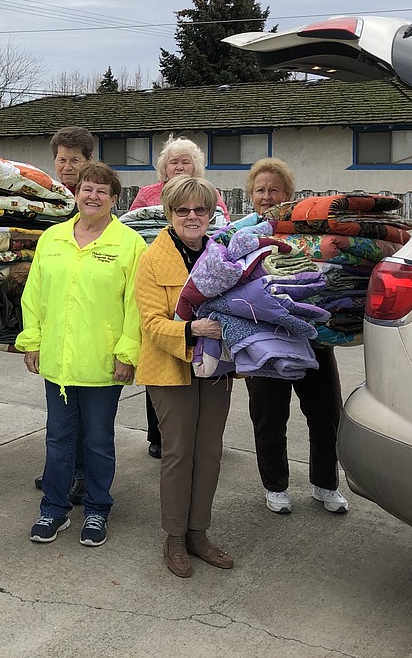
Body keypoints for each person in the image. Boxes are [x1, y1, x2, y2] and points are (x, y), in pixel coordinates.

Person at [17, 162, 146, 548]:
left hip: (103, 364)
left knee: (97, 441)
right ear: (77, 193)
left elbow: (136, 305)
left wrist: (127, 352)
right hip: (58, 361)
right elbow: (34, 295)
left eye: (101, 191)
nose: (92, 196)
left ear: (114, 199)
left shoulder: (129, 244)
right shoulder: (53, 239)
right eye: (87, 188)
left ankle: (96, 510)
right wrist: (32, 340)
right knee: (58, 439)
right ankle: (54, 510)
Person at [135, 175, 235, 577]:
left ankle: (199, 533)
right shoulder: (151, 258)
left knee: (209, 452)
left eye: (200, 210)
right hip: (169, 366)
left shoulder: (223, 255)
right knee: (178, 453)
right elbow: (150, 323)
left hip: (216, 369)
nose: (192, 216)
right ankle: (174, 538)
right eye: (182, 210)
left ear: (211, 214)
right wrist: (192, 330)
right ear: (169, 213)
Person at [241, 157, 349, 515]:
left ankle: (325, 485)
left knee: (326, 414)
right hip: (264, 340)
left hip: (313, 336)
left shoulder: (307, 231)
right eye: (260, 190)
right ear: (251, 196)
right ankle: (275, 486)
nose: (267, 196)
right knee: (269, 417)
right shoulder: (240, 233)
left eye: (275, 190)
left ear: (288, 195)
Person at [125, 136, 228, 460]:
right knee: (161, 368)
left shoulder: (209, 194)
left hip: (200, 286)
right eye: (174, 161)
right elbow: (133, 231)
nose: (180, 166)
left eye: (186, 161)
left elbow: (222, 231)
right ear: (164, 168)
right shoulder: (147, 196)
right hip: (159, 279)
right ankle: (159, 435)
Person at [31, 125, 96, 502]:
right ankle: (60, 470)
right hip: (55, 315)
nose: (68, 167)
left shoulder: (93, 197)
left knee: (89, 414)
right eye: (62, 160)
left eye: (75, 160)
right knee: (60, 408)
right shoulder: (47, 197)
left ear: (89, 161)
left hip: (88, 320)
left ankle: (83, 475)